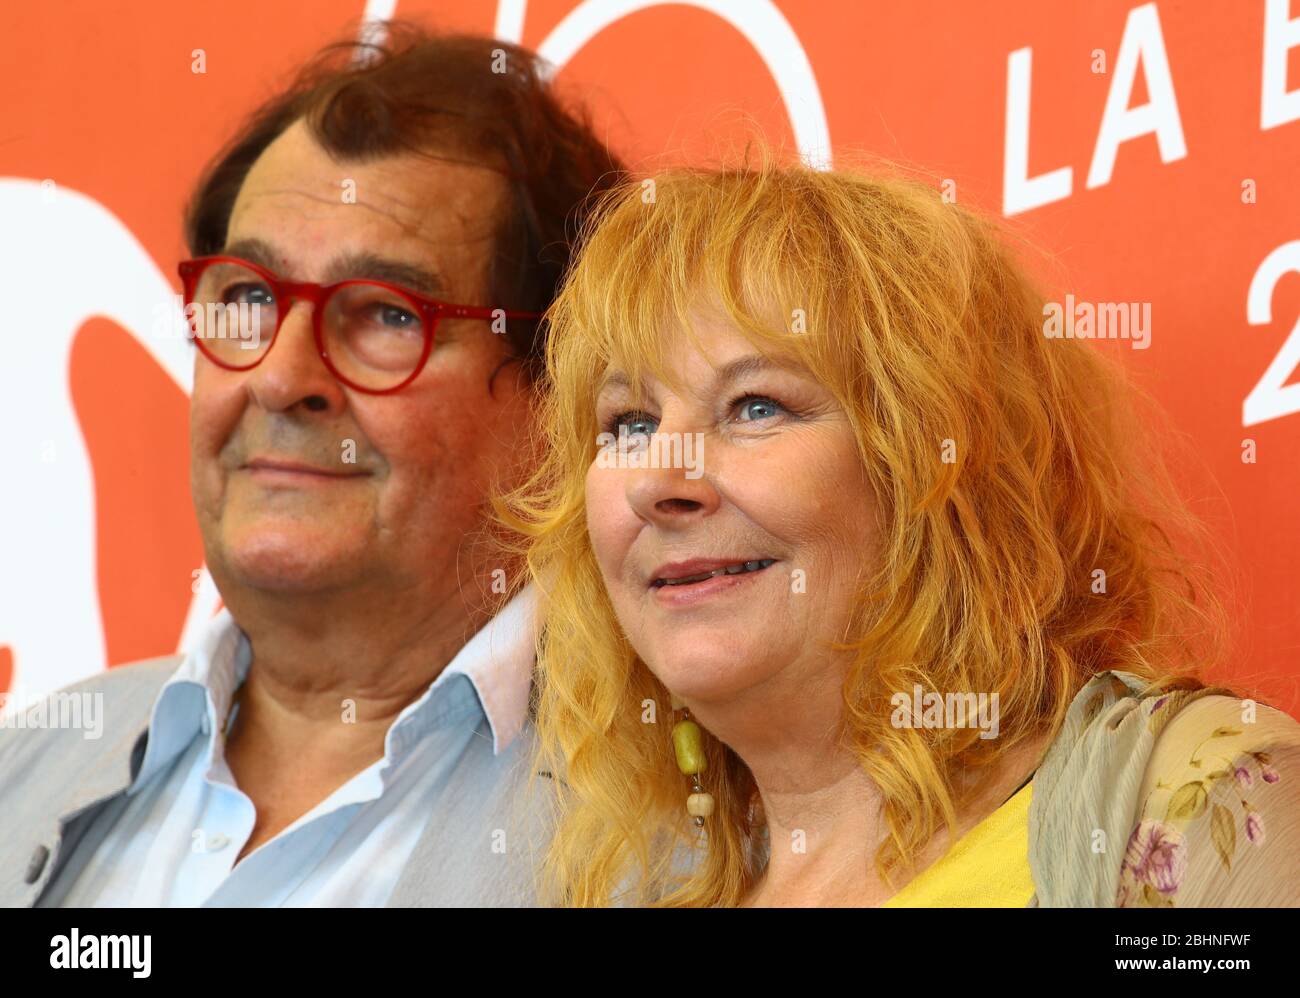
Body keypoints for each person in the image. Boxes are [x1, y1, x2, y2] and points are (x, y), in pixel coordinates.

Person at [499, 160, 1300, 907]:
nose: (654, 483)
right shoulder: (634, 890)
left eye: (755, 407)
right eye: (630, 424)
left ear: (936, 469)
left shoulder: (1194, 797)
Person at [0, 24, 625, 907]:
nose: (282, 378)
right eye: (248, 298)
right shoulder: (24, 770)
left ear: (555, 396)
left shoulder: (678, 843)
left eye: (384, 315)